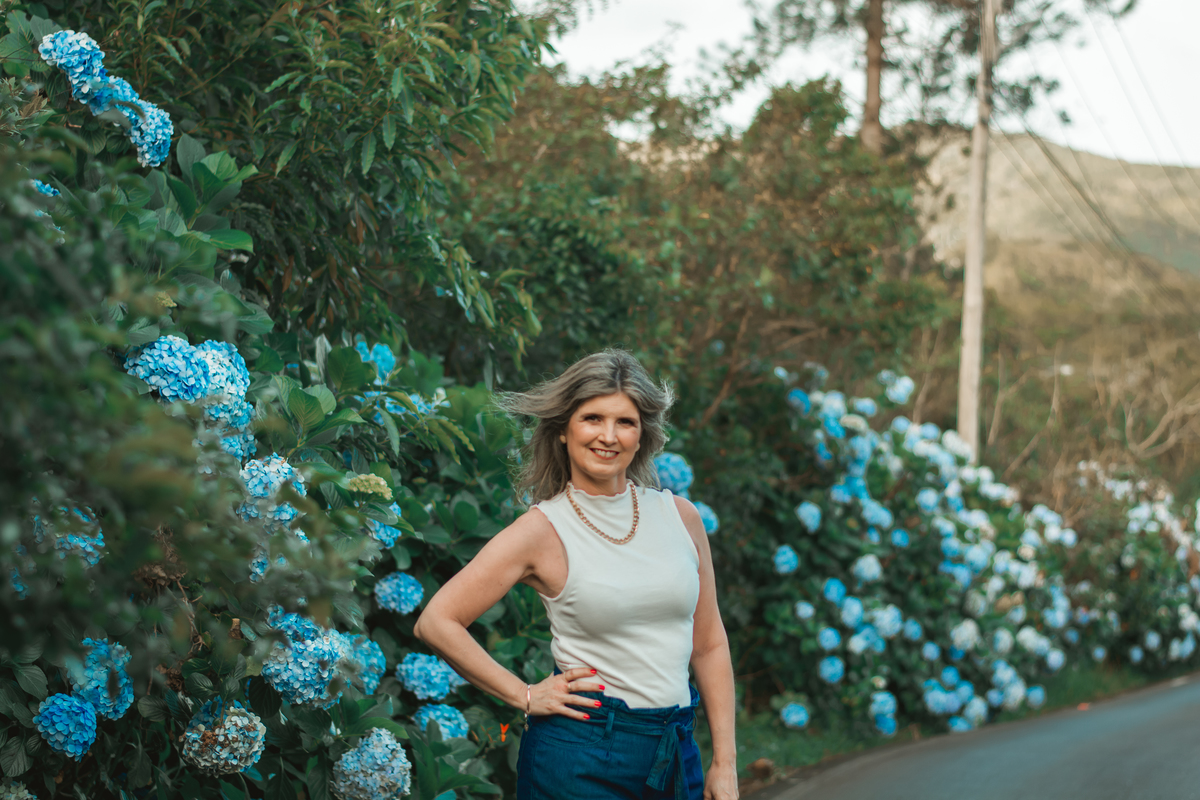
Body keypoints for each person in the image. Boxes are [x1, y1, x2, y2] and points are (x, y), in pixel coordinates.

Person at [414, 349, 738, 800]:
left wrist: (725, 762)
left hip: (674, 750)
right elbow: (437, 621)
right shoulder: (542, 530)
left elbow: (708, 643)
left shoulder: (680, 517)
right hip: (581, 754)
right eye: (592, 418)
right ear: (564, 429)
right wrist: (524, 695)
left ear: (643, 433)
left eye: (625, 421)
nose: (609, 436)